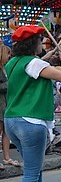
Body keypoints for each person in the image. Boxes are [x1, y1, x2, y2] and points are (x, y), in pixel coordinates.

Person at [4, 25, 61, 182]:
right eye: (41, 41)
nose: (43, 44)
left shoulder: (13, 63)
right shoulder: (34, 63)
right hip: (31, 122)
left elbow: (35, 67)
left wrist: (47, 57)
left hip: (13, 121)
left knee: (34, 169)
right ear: (34, 44)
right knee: (32, 172)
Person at [1, 39, 22, 170]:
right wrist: (10, 84)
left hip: (6, 103)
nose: (9, 56)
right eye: (8, 54)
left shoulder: (5, 68)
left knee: (6, 132)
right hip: (1, 103)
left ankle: (7, 157)